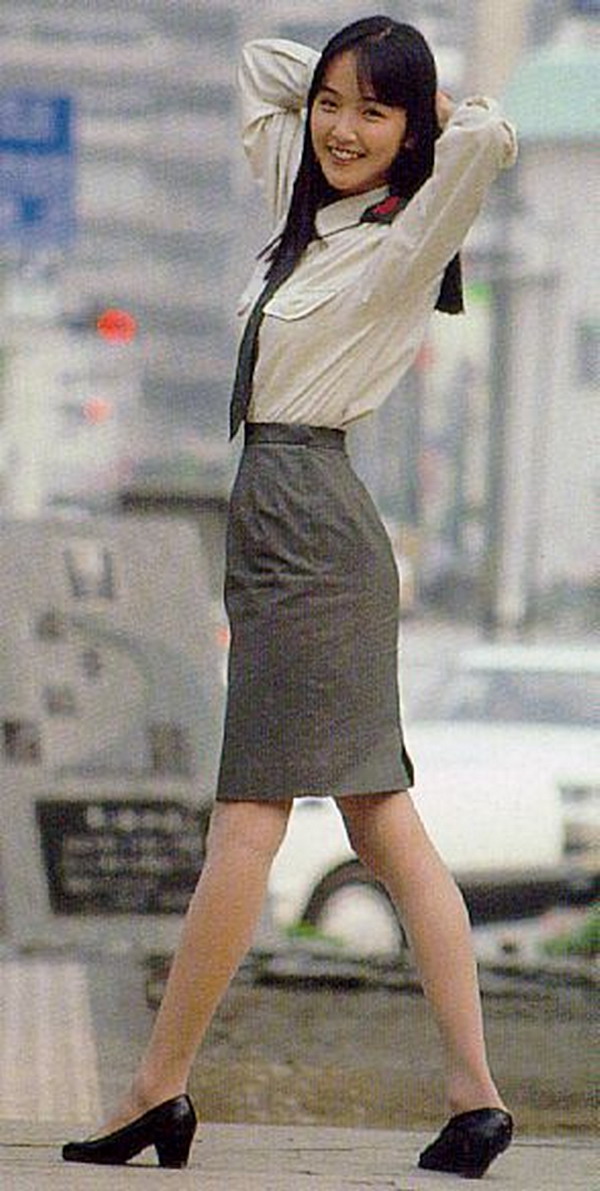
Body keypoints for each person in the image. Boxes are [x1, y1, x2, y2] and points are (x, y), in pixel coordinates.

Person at [63, 16, 518, 1178]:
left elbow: (490, 139)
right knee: (380, 819)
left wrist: (432, 111)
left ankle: (155, 1089)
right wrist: (345, 82)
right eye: (333, 104)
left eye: (373, 110)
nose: (341, 128)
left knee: (251, 818)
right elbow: (259, 64)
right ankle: (474, 1097)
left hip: (312, 521)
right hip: (280, 513)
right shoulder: (302, 212)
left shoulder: (408, 232)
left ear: (411, 130)